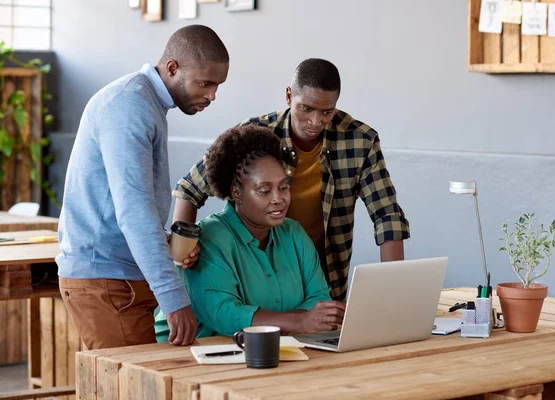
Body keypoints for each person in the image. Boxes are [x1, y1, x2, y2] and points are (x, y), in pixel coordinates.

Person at [172, 58, 410, 301]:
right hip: (255, 281)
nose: (316, 122)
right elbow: (189, 188)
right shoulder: (255, 134)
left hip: (325, 278)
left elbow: (387, 216)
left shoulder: (360, 140)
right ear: (288, 96)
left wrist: (393, 289)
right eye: (306, 108)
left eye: (327, 112)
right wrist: (182, 259)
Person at [56, 25, 229, 349]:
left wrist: (163, 244)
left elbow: (119, 202)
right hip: (105, 278)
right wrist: (174, 299)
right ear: (172, 68)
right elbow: (133, 211)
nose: (211, 95)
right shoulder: (129, 106)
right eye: (205, 83)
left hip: (116, 276)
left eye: (218, 85)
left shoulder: (143, 102)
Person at [155, 125, 346, 340]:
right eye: (264, 191)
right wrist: (300, 322)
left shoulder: (294, 233)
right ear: (237, 193)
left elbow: (318, 298)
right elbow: (225, 315)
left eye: (283, 187)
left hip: (269, 348)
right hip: (192, 351)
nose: (278, 199)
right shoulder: (210, 239)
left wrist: (303, 322)